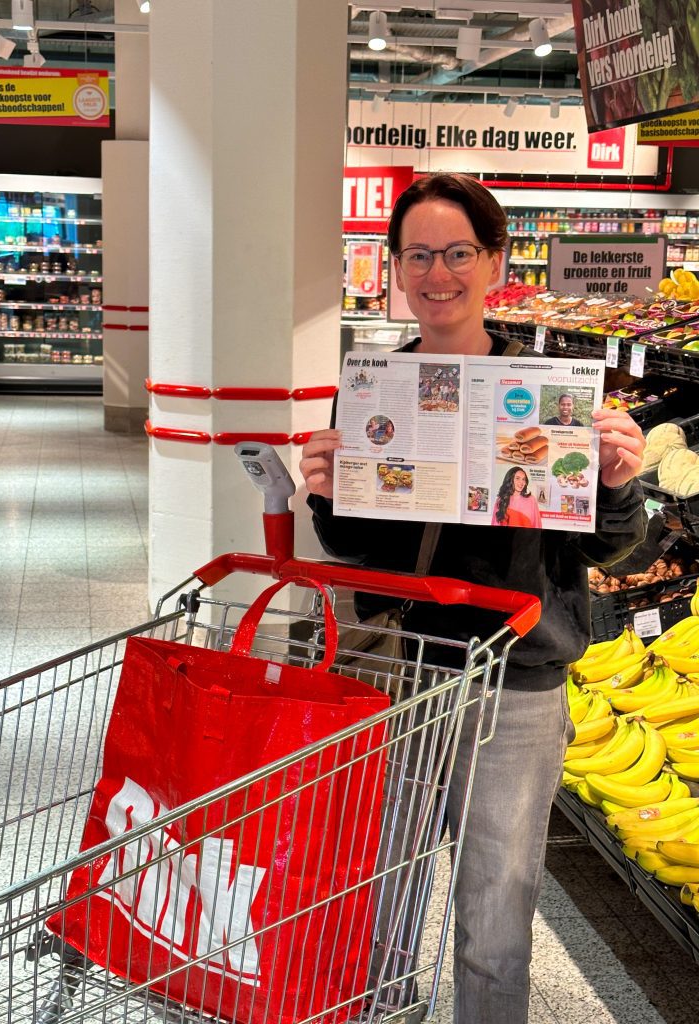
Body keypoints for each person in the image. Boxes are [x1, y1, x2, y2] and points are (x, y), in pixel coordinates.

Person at [299, 172, 646, 1024]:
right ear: (395, 267)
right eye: (418, 255)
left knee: (495, 928)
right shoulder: (376, 386)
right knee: (377, 911)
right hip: (400, 677)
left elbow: (604, 546)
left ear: (493, 262)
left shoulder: (555, 393)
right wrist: (323, 489)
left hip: (516, 687)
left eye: (458, 253)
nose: (437, 273)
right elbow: (354, 546)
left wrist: (615, 480)